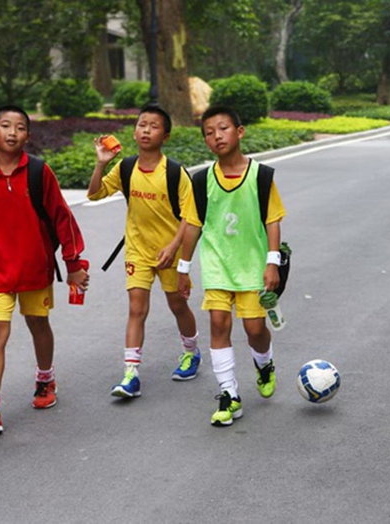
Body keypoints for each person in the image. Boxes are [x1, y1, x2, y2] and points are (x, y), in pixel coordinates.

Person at [0, 105, 90, 434]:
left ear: (28, 136)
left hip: (35, 269)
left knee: (38, 324)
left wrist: (74, 264)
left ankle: (45, 380)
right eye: (5, 126)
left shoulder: (39, 172)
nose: (12, 132)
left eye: (20, 127)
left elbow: (62, 218)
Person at [177, 105, 286, 427]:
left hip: (252, 268)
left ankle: (264, 363)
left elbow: (272, 221)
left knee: (255, 331)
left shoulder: (261, 176)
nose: (216, 136)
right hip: (217, 268)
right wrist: (183, 267)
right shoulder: (202, 181)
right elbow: (193, 226)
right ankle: (229, 393)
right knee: (219, 325)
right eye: (209, 133)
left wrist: (272, 263)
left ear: (240, 132)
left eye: (222, 129)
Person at [87, 104, 200, 398]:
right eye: (141, 124)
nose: (145, 130)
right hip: (137, 250)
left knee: (177, 305)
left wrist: (174, 246)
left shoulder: (175, 172)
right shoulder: (125, 167)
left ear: (166, 135)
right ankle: (131, 374)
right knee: (137, 308)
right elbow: (94, 194)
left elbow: (190, 216)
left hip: (170, 251)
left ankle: (192, 352)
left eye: (153, 126)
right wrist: (101, 163)